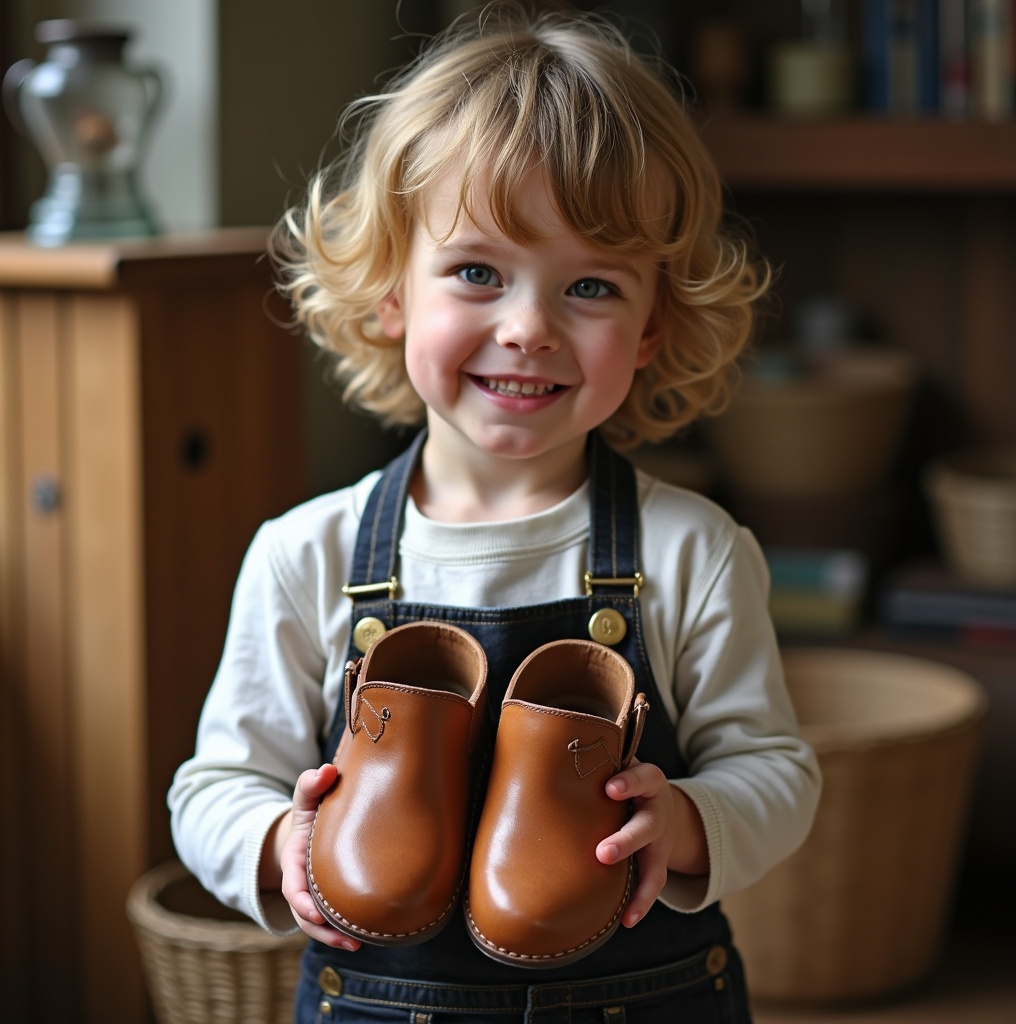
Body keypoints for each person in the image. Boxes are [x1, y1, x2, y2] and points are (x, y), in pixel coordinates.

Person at [169, 6, 821, 1022]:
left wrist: (690, 820)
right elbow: (214, 785)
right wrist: (275, 842)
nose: (527, 328)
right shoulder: (307, 554)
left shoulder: (691, 551)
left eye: (591, 286)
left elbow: (776, 770)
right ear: (392, 289)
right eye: (477, 271)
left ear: (652, 327)